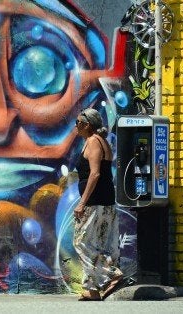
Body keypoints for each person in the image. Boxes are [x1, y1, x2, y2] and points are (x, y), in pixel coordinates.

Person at [73, 108, 123, 301]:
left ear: (87, 125)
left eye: (77, 123)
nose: (76, 127)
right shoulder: (102, 141)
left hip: (94, 203)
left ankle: (111, 274)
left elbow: (94, 174)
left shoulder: (93, 141)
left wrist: (82, 203)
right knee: (97, 244)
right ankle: (92, 289)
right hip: (106, 201)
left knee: (81, 242)